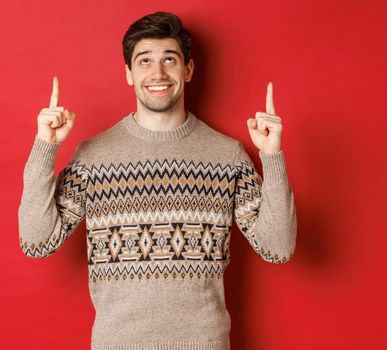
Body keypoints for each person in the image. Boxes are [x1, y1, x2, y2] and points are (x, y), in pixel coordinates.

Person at [18, 11, 297, 350]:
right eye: (144, 61)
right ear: (129, 74)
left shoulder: (227, 156)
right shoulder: (94, 156)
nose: (158, 72)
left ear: (188, 70)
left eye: (170, 59)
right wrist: (45, 146)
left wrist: (272, 155)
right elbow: (36, 241)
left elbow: (279, 249)